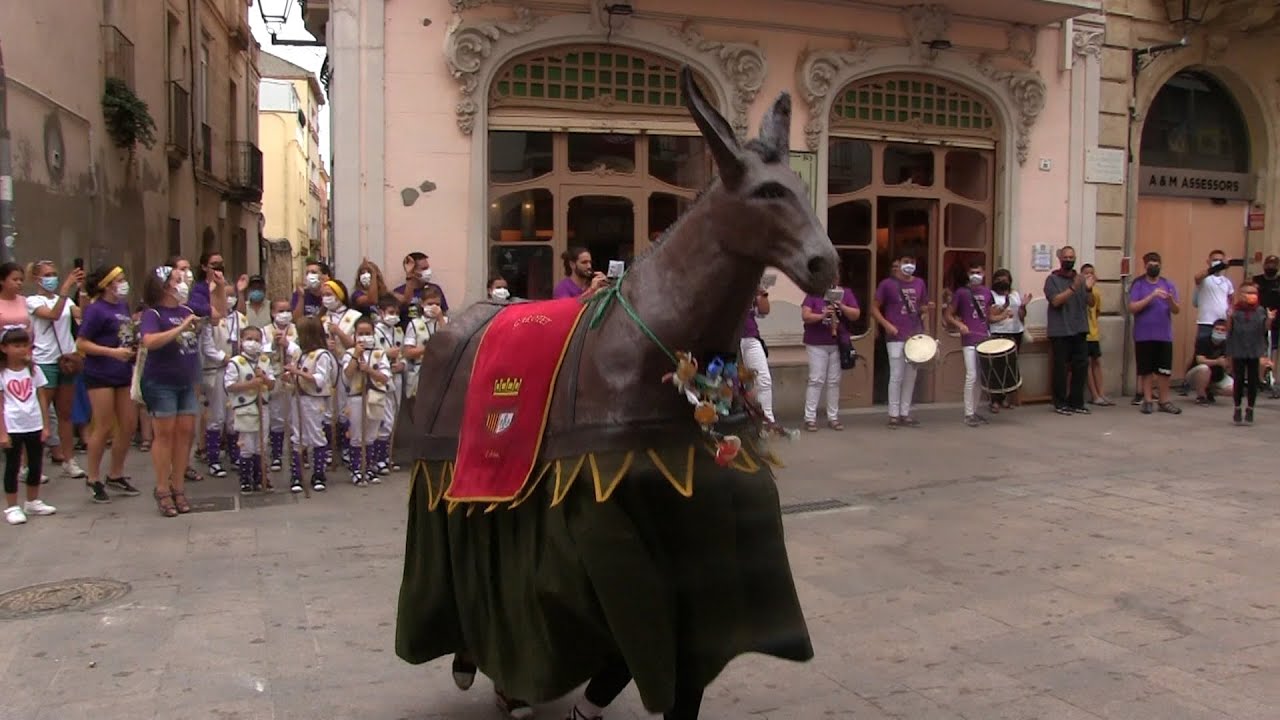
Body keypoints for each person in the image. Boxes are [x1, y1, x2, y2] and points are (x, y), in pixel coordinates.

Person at [138, 265, 203, 516]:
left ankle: (179, 487)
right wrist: (181, 327)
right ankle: (163, 488)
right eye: (177, 279)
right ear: (165, 285)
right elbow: (150, 341)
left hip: (186, 380)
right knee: (164, 435)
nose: (183, 282)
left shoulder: (187, 309)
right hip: (161, 381)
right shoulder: (153, 313)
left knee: (185, 434)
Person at [75, 265, 141, 503]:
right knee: (102, 426)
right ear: (107, 284)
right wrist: (111, 353)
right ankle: (93, 477)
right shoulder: (96, 310)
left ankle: (116, 473)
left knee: (128, 424)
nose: (124, 283)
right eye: (120, 280)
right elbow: (82, 343)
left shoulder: (122, 307)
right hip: (100, 373)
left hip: (123, 372)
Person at [26, 260, 87, 478]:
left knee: (65, 414)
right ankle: (30, 465)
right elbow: (51, 314)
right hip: (45, 361)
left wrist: (82, 290)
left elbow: (81, 314)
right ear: (37, 279)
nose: (52, 277)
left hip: (67, 359)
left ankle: (69, 460)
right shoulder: (32, 301)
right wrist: (64, 289)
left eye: (55, 273)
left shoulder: (67, 300)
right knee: (40, 415)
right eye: (48, 274)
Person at [1, 327, 56, 525]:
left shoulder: (33, 369)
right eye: (16, 345)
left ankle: (32, 501)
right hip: (13, 425)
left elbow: (42, 397)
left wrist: (46, 425)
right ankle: (12, 506)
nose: (21, 349)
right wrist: (2, 432)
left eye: (25, 345)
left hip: (34, 423)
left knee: (35, 464)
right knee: (13, 466)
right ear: (4, 348)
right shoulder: (2, 373)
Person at [945, 260, 1008, 426]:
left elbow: (988, 317)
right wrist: (960, 325)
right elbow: (948, 314)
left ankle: (974, 411)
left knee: (980, 377)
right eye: (972, 272)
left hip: (983, 339)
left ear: (984, 273)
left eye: (978, 272)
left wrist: (1003, 316)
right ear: (968, 274)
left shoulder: (988, 293)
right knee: (971, 375)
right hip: (969, 340)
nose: (975, 276)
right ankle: (967, 413)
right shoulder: (961, 293)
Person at [872, 253, 931, 428]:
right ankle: (893, 414)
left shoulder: (920, 283)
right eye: (906, 262)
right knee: (896, 375)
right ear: (898, 263)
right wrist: (886, 325)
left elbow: (922, 307)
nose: (909, 265)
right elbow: (874, 308)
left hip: (915, 335)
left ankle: (905, 413)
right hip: (895, 336)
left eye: (912, 261)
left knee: (910, 376)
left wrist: (926, 325)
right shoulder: (887, 284)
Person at [800, 279, 859, 432]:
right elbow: (805, 316)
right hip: (816, 344)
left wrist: (842, 307)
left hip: (838, 343)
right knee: (816, 379)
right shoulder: (814, 293)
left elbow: (856, 314)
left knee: (834, 381)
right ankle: (810, 418)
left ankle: (833, 417)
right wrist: (823, 315)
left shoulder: (845, 293)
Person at [1128, 251, 1181, 415]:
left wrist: (1170, 300)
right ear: (1145, 265)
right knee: (1146, 370)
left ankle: (1164, 401)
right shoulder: (1138, 284)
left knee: (1164, 370)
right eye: (1151, 264)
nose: (1154, 267)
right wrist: (1152, 296)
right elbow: (1132, 308)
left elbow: (1176, 310)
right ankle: (1148, 400)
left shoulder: (1168, 284)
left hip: (1163, 335)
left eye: (1157, 264)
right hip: (1144, 334)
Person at [224, 325, 275, 493]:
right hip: (245, 408)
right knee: (247, 444)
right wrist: (250, 384)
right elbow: (229, 386)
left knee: (262, 443)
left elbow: (272, 384)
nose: (253, 343)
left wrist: (265, 378)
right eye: (249, 339)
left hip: (263, 406)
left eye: (257, 340)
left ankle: (260, 477)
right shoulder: (236, 362)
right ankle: (245, 479)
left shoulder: (265, 361)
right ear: (241, 342)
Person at [286, 317, 335, 492]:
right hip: (298, 397)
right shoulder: (301, 354)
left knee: (316, 435)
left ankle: (319, 474)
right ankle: (296, 476)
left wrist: (298, 372)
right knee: (297, 436)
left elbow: (320, 379)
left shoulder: (322, 355)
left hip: (314, 400)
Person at [342, 317, 391, 486]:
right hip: (356, 397)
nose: (364, 337)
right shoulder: (349, 354)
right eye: (360, 334)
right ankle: (356, 469)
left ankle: (369, 467)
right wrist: (355, 357)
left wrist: (369, 370)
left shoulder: (379, 354)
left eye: (368, 333)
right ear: (355, 335)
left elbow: (385, 377)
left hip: (375, 397)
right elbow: (347, 375)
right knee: (357, 435)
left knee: (371, 435)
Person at [1044, 246, 1091, 416]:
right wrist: (1073, 287)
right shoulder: (1052, 279)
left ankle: (1077, 401)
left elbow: (1090, 303)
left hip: (1079, 329)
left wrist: (1088, 288)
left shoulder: (1079, 278)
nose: (1069, 260)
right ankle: (1060, 402)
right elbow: (1056, 301)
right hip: (1060, 330)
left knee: (1081, 367)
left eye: (1072, 257)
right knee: (1061, 369)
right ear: (1060, 259)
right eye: (1066, 257)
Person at [199, 286, 238, 478]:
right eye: (224, 295)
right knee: (217, 416)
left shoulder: (239, 318)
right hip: (216, 371)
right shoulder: (209, 321)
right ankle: (213, 458)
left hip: (235, 371)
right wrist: (224, 358)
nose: (227, 299)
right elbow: (208, 347)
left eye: (231, 295)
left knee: (233, 416)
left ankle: (235, 454)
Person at [1225, 283, 1273, 425]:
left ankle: (1250, 408)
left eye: (1253, 293)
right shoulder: (1236, 310)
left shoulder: (1260, 311)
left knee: (1253, 380)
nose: (1251, 296)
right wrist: (1229, 316)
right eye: (1247, 293)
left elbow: (1265, 329)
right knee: (1238, 379)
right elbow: (1229, 329)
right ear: (1241, 295)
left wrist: (1269, 318)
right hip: (1238, 348)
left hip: (1254, 348)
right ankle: (1237, 407)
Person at [372, 294, 405, 475]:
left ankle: (387, 456)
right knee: (383, 419)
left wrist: (403, 365)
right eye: (391, 312)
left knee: (393, 418)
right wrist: (386, 354)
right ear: (381, 312)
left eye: (396, 313)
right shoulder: (375, 332)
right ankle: (379, 458)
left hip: (396, 378)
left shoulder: (399, 331)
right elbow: (372, 354)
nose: (394, 316)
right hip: (380, 379)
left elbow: (405, 354)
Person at [264, 300, 299, 472]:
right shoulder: (265, 331)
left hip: (294, 377)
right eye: (281, 310)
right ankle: (276, 455)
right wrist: (273, 345)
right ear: (272, 312)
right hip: (276, 376)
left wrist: (289, 345)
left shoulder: (296, 329)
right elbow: (262, 354)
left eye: (288, 310)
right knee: (276, 417)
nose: (285, 313)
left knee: (295, 417)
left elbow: (302, 350)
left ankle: (297, 454)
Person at [987, 268, 1028, 410]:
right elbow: (990, 316)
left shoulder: (1015, 294)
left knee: (1009, 366)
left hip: (1015, 332)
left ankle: (1004, 397)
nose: (1002, 283)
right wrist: (1004, 308)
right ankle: (994, 400)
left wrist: (1023, 306)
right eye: (999, 280)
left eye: (1005, 280)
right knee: (996, 367)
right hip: (998, 332)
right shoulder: (990, 295)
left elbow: (1022, 315)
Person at [1078, 263, 1113, 406]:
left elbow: (1097, 311)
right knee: (1086, 364)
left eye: (1091, 273)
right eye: (1086, 273)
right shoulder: (1078, 291)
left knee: (1096, 362)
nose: (1089, 276)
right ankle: (1094, 395)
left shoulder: (1096, 292)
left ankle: (1101, 392)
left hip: (1094, 333)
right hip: (1083, 334)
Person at [403, 286, 446, 404]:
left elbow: (450, 341)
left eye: (437, 304)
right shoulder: (415, 324)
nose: (434, 307)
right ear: (422, 304)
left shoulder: (445, 322)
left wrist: (440, 318)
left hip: (440, 371)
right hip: (420, 370)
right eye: (430, 303)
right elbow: (407, 352)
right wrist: (427, 349)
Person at [739, 282, 774, 424]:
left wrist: (762, 293)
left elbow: (764, 311)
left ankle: (767, 420)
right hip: (730, 339)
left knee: (764, 379)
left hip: (751, 337)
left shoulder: (749, 284)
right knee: (732, 382)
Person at [1186, 318, 1233, 405]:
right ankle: (1201, 397)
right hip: (1197, 373)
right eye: (1217, 329)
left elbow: (1229, 366)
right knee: (1204, 369)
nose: (1219, 332)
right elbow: (1200, 360)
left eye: (1222, 330)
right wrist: (1217, 362)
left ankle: (1210, 391)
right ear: (1212, 329)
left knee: (1234, 389)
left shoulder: (1228, 344)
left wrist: (1228, 364)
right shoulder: (1203, 340)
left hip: (1217, 376)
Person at [394, 252, 449, 324]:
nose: (428, 271)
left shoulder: (435, 289)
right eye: (424, 269)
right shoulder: (399, 292)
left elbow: (444, 313)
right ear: (412, 271)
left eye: (428, 267)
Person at [1252, 255, 1280, 397]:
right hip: (1259, 320)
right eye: (1269, 264)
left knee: (1274, 350)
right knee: (1259, 350)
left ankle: (1274, 381)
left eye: (1274, 265)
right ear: (1264, 265)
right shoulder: (1257, 280)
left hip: (1277, 322)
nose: (1271, 267)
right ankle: (1258, 379)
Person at [1194, 249, 1234, 342]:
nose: (1218, 262)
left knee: (1221, 351)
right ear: (1208, 261)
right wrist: (1219, 266)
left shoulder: (1227, 281)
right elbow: (1197, 277)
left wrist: (1230, 309)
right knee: (1202, 349)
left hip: (1221, 323)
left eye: (1220, 260)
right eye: (1215, 260)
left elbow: (1231, 298)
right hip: (1205, 322)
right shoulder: (1204, 278)